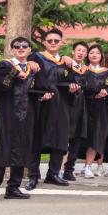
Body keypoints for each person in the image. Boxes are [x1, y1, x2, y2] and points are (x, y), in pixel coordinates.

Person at [0, 37, 39, 205]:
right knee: (3, 152)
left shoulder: (33, 68)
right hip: (8, 116)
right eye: (17, 46)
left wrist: (45, 93)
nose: (21, 48)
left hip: (26, 116)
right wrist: (16, 73)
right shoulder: (4, 66)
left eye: (24, 46)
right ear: (12, 50)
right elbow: (1, 84)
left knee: (21, 150)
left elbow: (38, 88)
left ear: (29, 50)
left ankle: (13, 188)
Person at [27, 28, 75, 189]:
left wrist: (73, 90)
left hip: (61, 105)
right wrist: (28, 62)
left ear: (61, 42)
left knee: (59, 140)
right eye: (50, 41)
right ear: (44, 43)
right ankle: (33, 175)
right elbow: (26, 77)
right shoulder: (36, 57)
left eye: (56, 41)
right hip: (41, 104)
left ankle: (53, 174)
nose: (53, 43)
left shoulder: (67, 62)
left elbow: (72, 82)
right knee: (36, 139)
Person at [82, 45, 108, 178]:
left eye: (97, 53)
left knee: (94, 137)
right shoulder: (82, 70)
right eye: (91, 52)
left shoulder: (106, 73)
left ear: (101, 56)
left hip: (100, 109)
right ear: (87, 55)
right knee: (78, 137)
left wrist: (107, 92)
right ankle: (66, 169)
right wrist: (95, 94)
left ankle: (88, 166)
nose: (94, 55)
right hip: (83, 107)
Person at [61, 41, 89, 181]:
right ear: (73, 52)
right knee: (62, 139)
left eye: (83, 51)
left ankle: (69, 170)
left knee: (76, 140)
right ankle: (57, 169)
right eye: (78, 50)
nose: (80, 53)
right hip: (66, 107)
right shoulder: (65, 65)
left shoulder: (87, 71)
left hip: (81, 109)